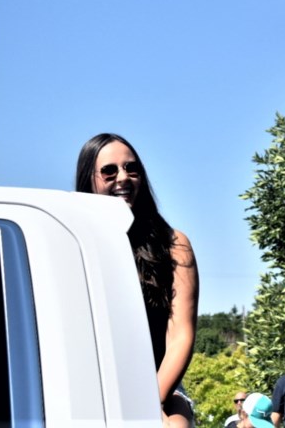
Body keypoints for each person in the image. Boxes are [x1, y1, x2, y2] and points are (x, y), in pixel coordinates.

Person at [75, 133, 199, 427]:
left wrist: (149, 401)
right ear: (88, 179)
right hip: (90, 388)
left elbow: (180, 334)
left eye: (132, 169)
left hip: (159, 386)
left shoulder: (174, 244)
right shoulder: (72, 242)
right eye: (109, 171)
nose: (123, 177)